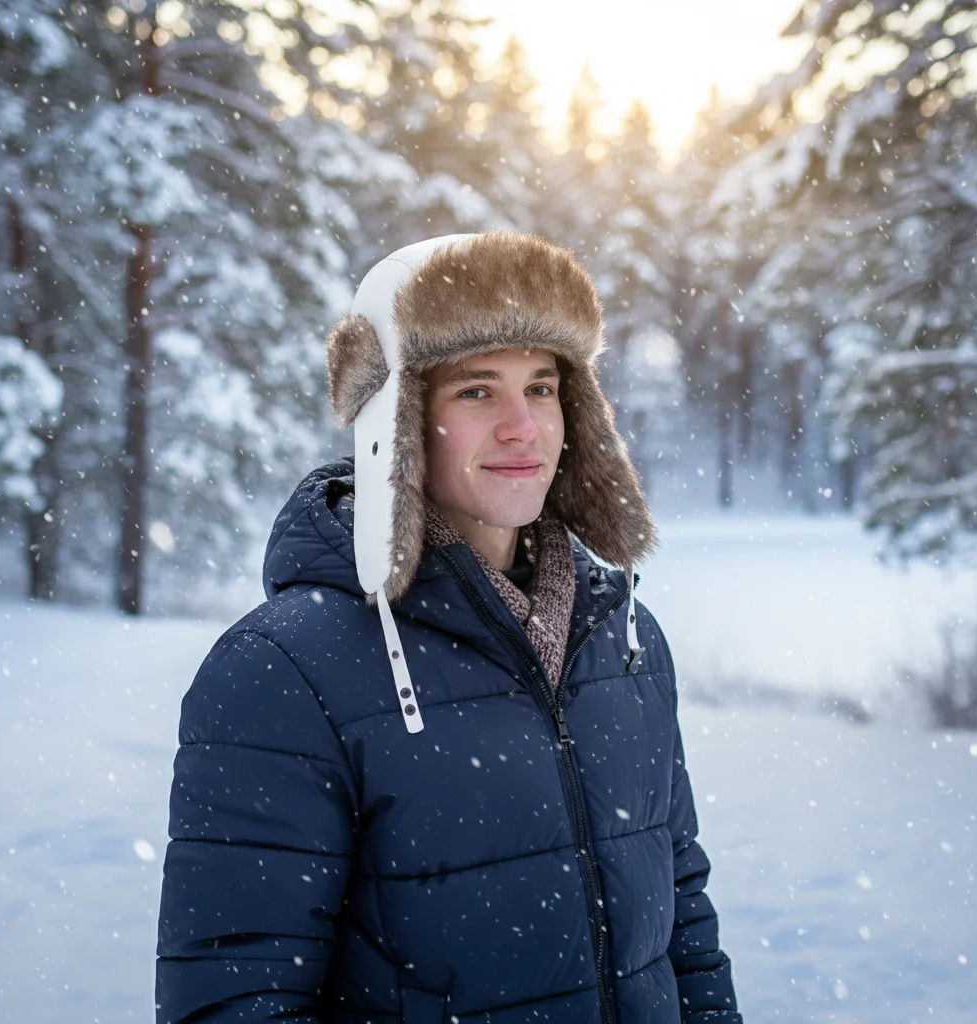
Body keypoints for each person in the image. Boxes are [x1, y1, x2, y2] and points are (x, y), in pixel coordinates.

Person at [156, 232, 741, 1023]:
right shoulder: (281, 673)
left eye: (541, 387)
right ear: (393, 424)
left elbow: (683, 923)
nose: (521, 427)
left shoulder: (625, 642)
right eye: (476, 391)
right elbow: (236, 1001)